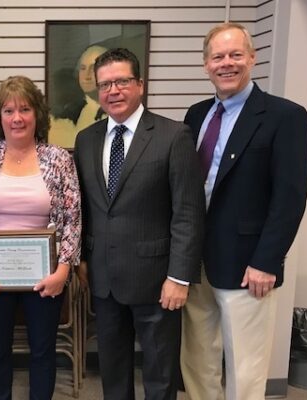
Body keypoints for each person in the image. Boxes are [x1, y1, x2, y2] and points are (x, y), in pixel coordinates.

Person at [180, 22, 307, 400]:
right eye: (218, 56)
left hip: (248, 266)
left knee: (246, 365)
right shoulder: (197, 114)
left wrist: (267, 261)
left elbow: (290, 197)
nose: (227, 63)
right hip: (196, 263)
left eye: (236, 54)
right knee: (198, 357)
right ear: (206, 64)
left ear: (251, 58)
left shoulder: (284, 116)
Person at [73, 48, 205, 400]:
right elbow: (86, 206)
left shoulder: (174, 136)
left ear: (140, 85)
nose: (112, 91)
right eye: (105, 84)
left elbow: (188, 212)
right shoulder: (86, 140)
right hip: (104, 278)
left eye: (121, 81)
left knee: (160, 375)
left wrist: (179, 277)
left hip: (158, 281)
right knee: (113, 371)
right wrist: (83, 259)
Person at [0, 75, 81, 400]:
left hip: (47, 275)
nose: (17, 118)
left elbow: (72, 219)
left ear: (37, 114)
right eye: (9, 110)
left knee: (43, 351)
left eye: (24, 109)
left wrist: (63, 272)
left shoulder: (60, 159)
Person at [49, 44, 108, 148]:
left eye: (93, 68)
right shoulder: (66, 114)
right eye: (83, 68)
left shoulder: (119, 112)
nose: (87, 76)